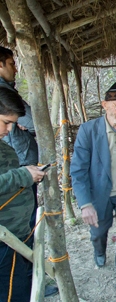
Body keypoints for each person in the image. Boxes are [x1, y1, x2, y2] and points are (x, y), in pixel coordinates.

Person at [70, 83, 116, 296]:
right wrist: (85, 204)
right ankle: (99, 248)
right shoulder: (88, 131)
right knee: (98, 232)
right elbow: (78, 171)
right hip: (98, 195)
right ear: (104, 105)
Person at [0, 87, 48, 302]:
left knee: (21, 288)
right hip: (4, 240)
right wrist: (21, 175)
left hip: (16, 235)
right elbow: (13, 178)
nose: (10, 129)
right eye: (5, 122)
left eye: (13, 123)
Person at [0, 46, 39, 229]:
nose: (15, 69)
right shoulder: (4, 94)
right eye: (11, 64)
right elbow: (34, 122)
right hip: (7, 231)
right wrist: (21, 175)